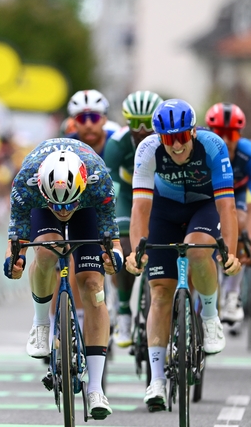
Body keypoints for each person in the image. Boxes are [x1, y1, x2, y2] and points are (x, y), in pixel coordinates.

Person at [124, 99, 242, 411]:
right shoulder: (148, 150)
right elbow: (140, 207)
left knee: (198, 248)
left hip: (203, 206)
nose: (175, 145)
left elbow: (227, 206)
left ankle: (210, 313)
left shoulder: (212, 146)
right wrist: (138, 249)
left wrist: (228, 251)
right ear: (158, 137)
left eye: (181, 137)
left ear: (192, 132)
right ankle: (157, 379)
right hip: (164, 210)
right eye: (167, 138)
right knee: (160, 292)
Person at [4, 137, 122, 420]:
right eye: (58, 206)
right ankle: (41, 323)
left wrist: (114, 257)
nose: (63, 211)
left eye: (68, 205)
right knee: (45, 252)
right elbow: (16, 238)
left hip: (88, 208)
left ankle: (95, 387)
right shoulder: (26, 183)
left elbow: (111, 236)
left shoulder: (99, 181)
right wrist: (13, 260)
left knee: (93, 285)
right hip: (40, 206)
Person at [103, 90, 163, 347]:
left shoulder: (167, 139)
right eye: (134, 122)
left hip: (160, 194)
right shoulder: (117, 143)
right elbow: (111, 187)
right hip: (128, 196)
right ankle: (125, 309)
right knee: (126, 245)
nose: (140, 130)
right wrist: (109, 218)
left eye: (147, 123)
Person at [204, 102, 251, 331]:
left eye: (231, 133)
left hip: (239, 194)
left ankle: (232, 294)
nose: (225, 139)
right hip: (208, 195)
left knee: (241, 224)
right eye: (219, 133)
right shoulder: (202, 149)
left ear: (239, 135)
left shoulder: (247, 153)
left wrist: (248, 234)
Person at [66, 89, 118, 156]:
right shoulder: (65, 146)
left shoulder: (119, 142)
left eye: (94, 117)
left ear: (104, 120)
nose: (88, 125)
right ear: (74, 122)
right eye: (81, 118)